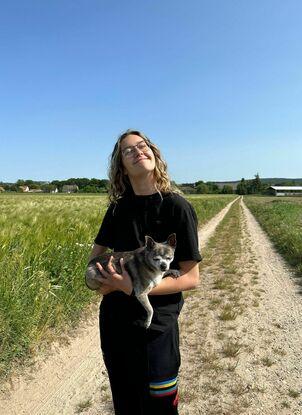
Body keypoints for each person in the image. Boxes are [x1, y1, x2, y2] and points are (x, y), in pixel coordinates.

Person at [88, 129, 202, 415]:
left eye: (143, 146)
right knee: (127, 405)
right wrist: (103, 283)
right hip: (116, 326)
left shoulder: (177, 206)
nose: (138, 151)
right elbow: (94, 261)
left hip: (157, 328)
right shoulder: (117, 210)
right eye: (129, 150)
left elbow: (191, 277)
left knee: (161, 407)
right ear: (122, 168)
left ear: (153, 154)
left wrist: (132, 287)